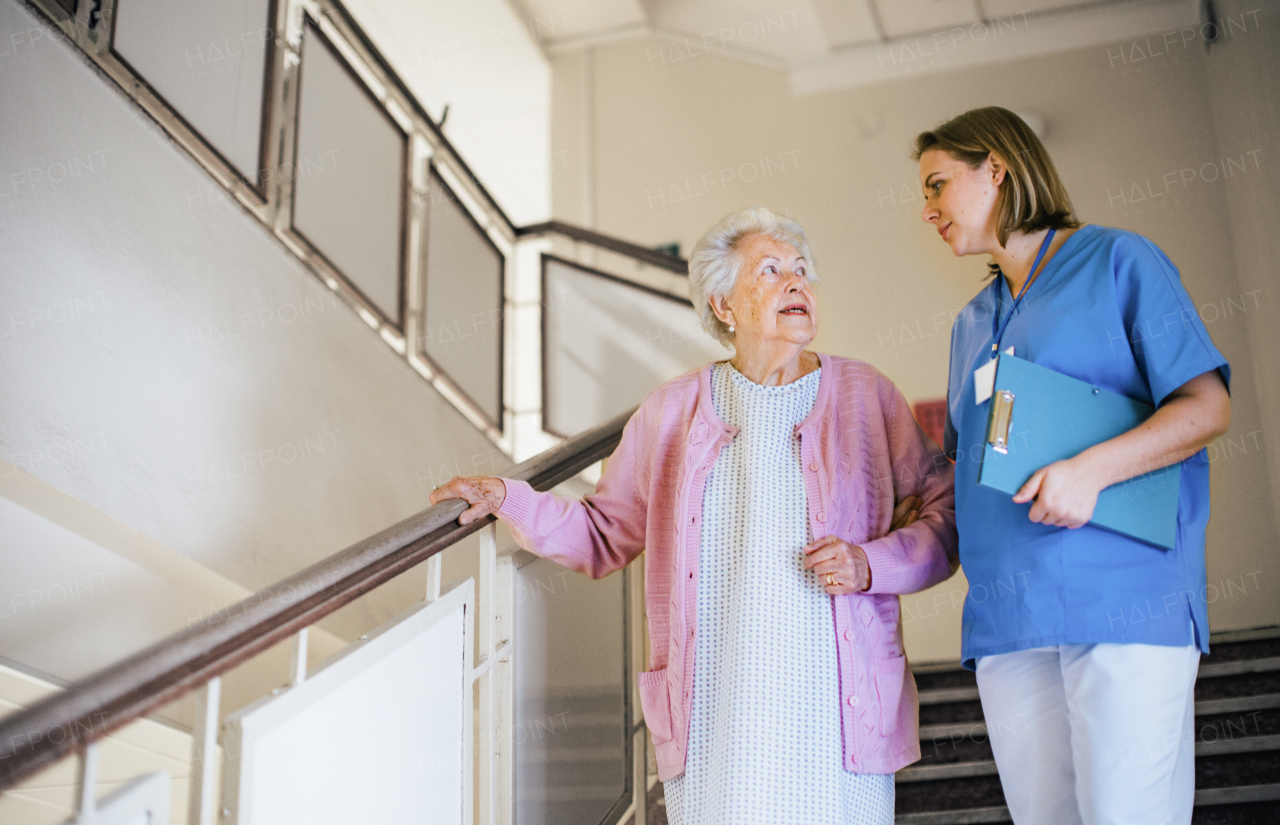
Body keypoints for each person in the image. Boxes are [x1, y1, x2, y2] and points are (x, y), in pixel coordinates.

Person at [432, 206, 959, 824]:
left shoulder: (865, 395)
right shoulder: (671, 413)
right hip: (717, 710)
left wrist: (870, 563)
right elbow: (604, 533)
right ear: (723, 305)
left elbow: (945, 508)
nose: (796, 284)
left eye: (802, 271)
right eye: (770, 270)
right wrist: (511, 497)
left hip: (836, 713)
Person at [915, 107, 1232, 824]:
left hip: (1123, 601)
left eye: (937, 185)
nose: (927, 209)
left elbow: (1206, 407)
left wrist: (1091, 469)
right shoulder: (970, 322)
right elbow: (968, 462)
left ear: (995, 167)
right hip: (1007, 620)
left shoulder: (1121, 261)